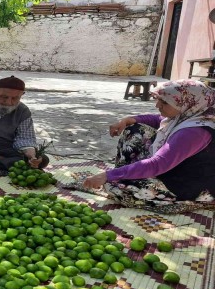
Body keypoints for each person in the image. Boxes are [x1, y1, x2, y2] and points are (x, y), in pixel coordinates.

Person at [82, 80, 215, 214]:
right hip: (174, 168)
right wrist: (128, 120)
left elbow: (158, 164)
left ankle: (190, 202)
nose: (157, 105)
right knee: (134, 130)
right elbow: (159, 120)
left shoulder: (194, 132)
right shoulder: (190, 115)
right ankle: (129, 173)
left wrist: (107, 175)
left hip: (188, 184)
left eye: (164, 103)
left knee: (112, 184)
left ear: (188, 103)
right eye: (158, 100)